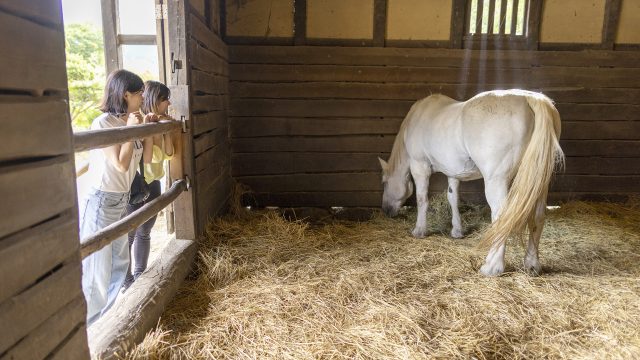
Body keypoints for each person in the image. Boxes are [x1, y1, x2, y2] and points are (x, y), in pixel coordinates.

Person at [80, 69, 156, 324]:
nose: (142, 100)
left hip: (121, 200)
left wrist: (146, 129)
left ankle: (103, 325)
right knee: (97, 276)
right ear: (126, 94)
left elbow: (145, 159)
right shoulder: (103, 124)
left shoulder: (129, 122)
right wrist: (133, 130)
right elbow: (121, 165)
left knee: (119, 267)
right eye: (139, 94)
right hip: (102, 201)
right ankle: (89, 332)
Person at [122, 80, 175, 290]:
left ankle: (139, 275)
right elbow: (149, 157)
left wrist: (167, 128)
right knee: (129, 235)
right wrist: (151, 130)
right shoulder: (139, 122)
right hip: (137, 186)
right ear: (155, 100)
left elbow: (170, 154)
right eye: (164, 99)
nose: (169, 102)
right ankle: (126, 282)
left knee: (145, 232)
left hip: (154, 185)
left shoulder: (159, 122)